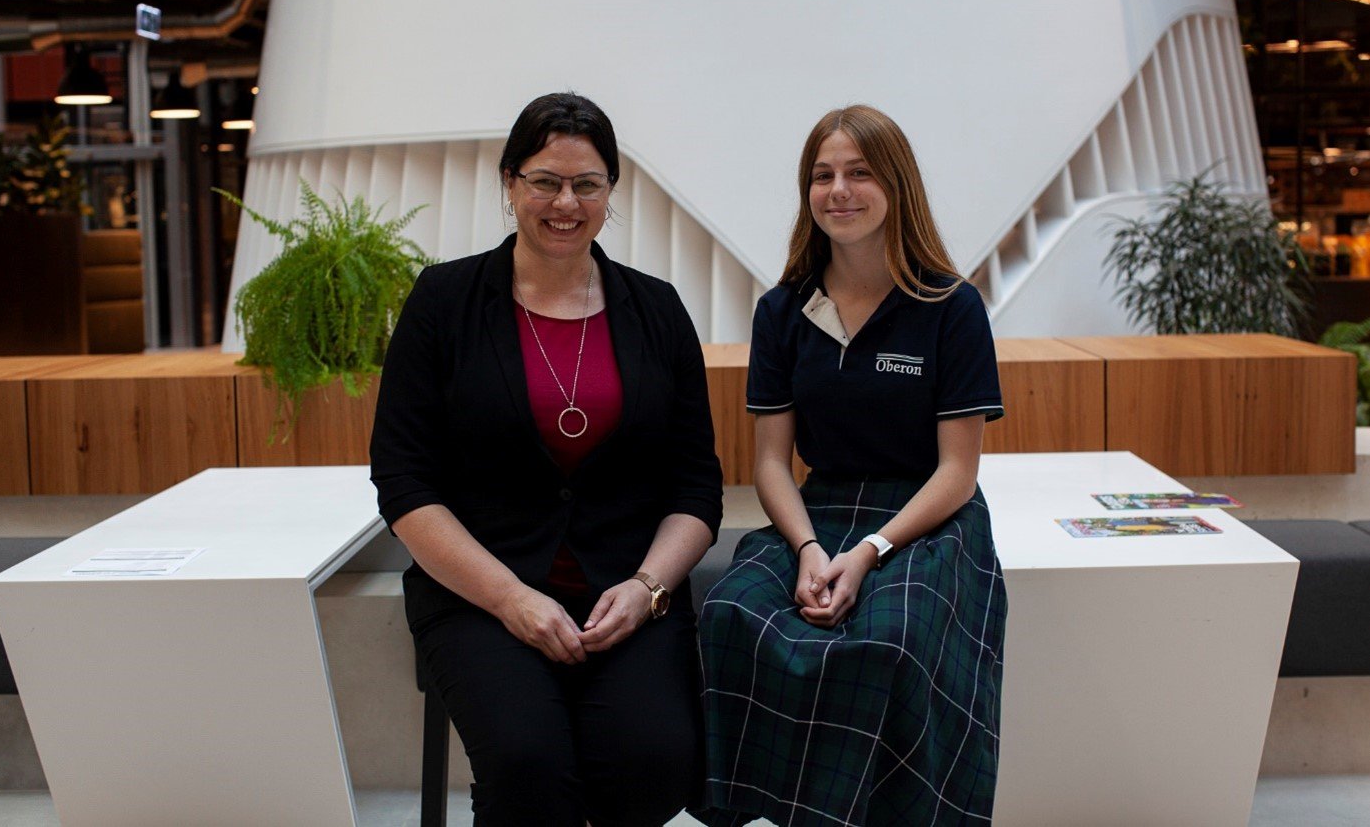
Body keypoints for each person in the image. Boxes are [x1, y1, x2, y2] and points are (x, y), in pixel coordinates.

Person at [370, 92, 723, 826]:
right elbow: (403, 483)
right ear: (508, 183)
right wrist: (511, 599)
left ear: (609, 192)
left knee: (653, 763)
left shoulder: (656, 309)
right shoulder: (442, 301)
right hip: (481, 598)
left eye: (586, 184)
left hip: (625, 597)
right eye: (544, 180)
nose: (565, 202)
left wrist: (647, 588)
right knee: (527, 764)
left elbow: (695, 488)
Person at [694, 105, 1008, 826]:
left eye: (858, 173)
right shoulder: (781, 310)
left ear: (895, 185)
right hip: (819, 507)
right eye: (822, 175)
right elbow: (770, 462)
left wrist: (867, 554)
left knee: (889, 640)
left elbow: (956, 472)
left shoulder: (950, 307)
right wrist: (807, 549)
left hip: (926, 518)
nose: (838, 189)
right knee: (725, 611)